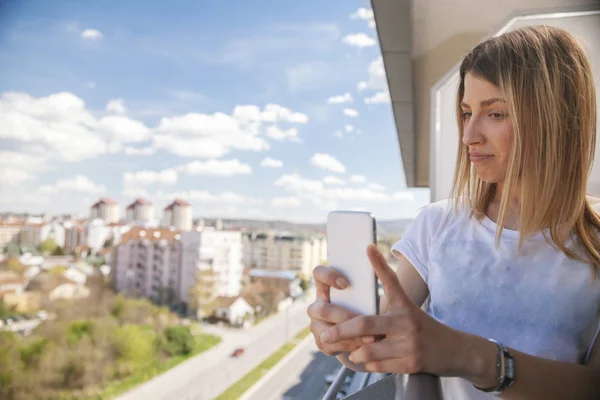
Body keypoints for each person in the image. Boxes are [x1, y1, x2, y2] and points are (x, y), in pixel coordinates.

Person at [307, 25, 600, 399]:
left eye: (495, 113)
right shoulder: (436, 224)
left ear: (553, 118)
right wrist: (341, 336)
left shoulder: (594, 245)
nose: (468, 136)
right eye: (466, 113)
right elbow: (374, 350)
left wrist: (469, 356)